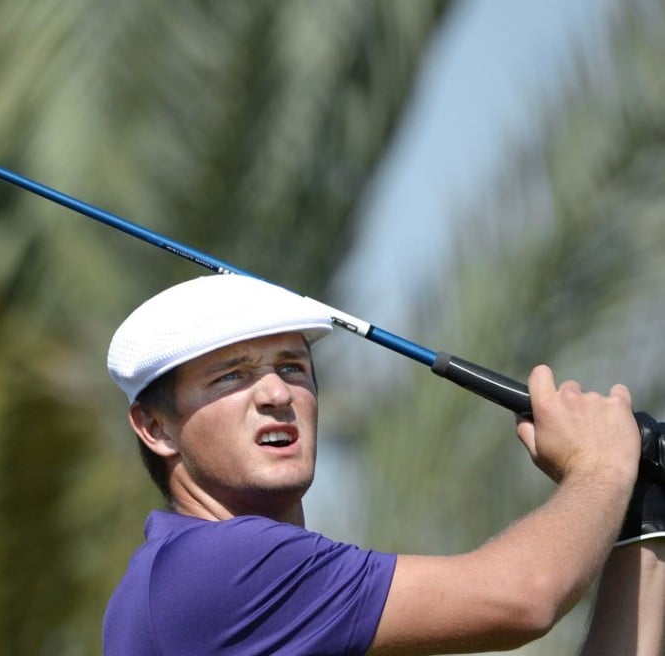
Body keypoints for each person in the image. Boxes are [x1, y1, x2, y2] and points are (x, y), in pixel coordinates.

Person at [102, 273, 665, 655]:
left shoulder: (241, 582)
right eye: (232, 375)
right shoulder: (217, 567)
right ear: (156, 428)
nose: (276, 392)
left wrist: (637, 516)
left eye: (294, 367)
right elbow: (529, 595)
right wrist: (601, 465)